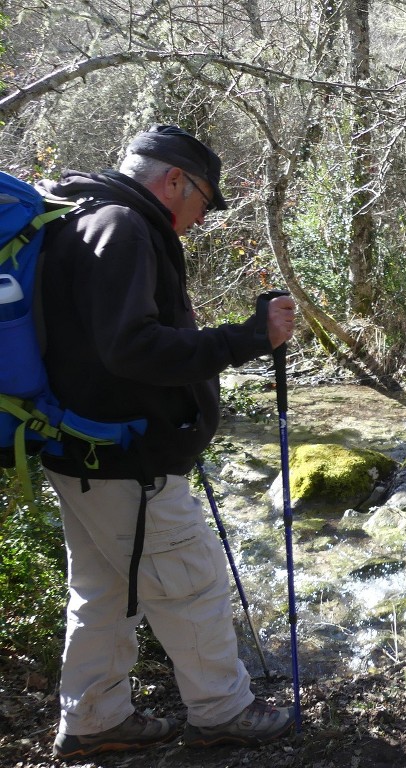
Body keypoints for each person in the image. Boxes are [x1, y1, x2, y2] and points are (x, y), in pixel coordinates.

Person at [36, 125, 297, 759]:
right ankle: (223, 711)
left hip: (88, 453)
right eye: (204, 200)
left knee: (105, 590)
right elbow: (131, 348)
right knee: (191, 582)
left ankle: (95, 719)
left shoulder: (86, 219)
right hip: (126, 460)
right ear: (173, 180)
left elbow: (111, 345)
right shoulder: (122, 227)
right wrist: (245, 339)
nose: (201, 217)